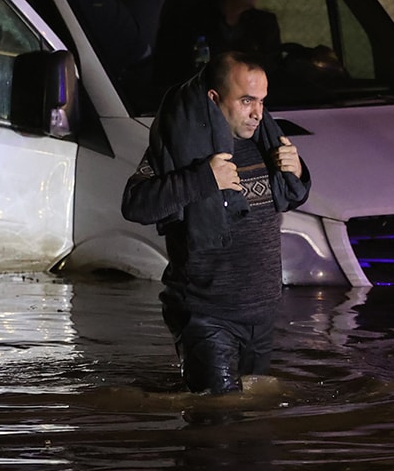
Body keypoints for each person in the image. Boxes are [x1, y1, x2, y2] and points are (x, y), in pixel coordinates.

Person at [121, 50, 310, 394]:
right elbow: (136, 204)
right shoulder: (184, 147)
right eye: (246, 101)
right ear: (215, 97)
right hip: (207, 316)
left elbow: (292, 196)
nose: (258, 113)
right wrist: (202, 178)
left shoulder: (266, 142)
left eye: (263, 101)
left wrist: (297, 172)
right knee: (217, 421)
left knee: (255, 424)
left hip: (262, 316)